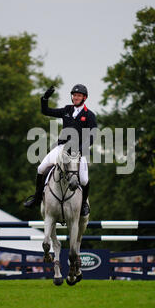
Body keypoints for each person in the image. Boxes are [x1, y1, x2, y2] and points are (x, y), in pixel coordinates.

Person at [24, 84, 97, 216]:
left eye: (78, 95)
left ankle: (84, 204)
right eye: (74, 95)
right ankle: (37, 197)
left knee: (84, 180)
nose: (75, 97)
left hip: (78, 150)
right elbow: (46, 111)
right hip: (61, 147)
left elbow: (93, 135)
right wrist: (45, 98)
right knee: (41, 168)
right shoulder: (66, 110)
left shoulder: (89, 115)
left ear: (84, 98)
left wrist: (81, 149)